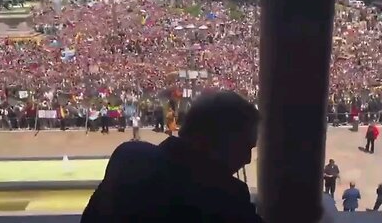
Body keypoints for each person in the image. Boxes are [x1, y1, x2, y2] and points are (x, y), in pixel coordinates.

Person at [81, 91, 262, 222]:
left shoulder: (128, 157)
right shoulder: (227, 197)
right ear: (210, 140)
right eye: (244, 147)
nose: (247, 159)